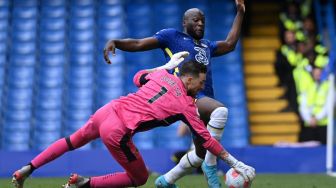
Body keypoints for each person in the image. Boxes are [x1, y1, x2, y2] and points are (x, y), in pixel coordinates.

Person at [12, 52, 255, 188]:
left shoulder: (163, 75)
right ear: (189, 80)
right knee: (139, 178)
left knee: (71, 140)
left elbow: (138, 78)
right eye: (201, 83)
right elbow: (207, 140)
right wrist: (236, 163)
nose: (202, 87)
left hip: (106, 111)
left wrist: (165, 66)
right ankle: (83, 186)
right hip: (117, 131)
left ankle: (28, 168)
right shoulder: (186, 105)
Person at [103, 1, 245, 187]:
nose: (200, 24)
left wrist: (240, 13)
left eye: (203, 21)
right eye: (196, 20)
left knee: (199, 154)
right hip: (186, 97)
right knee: (220, 111)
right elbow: (139, 43)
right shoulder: (172, 36)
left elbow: (230, 44)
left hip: (203, 99)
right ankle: (210, 168)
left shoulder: (206, 46)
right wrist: (116, 42)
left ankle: (165, 180)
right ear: (184, 23)